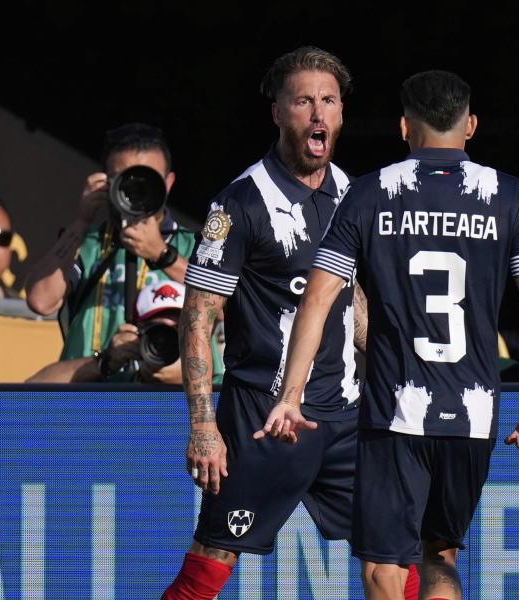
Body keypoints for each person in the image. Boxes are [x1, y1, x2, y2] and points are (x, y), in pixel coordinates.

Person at [259, 70, 519, 600]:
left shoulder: (370, 193)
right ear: (470, 125)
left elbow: (320, 299)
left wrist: (289, 395)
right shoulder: (510, 195)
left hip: (396, 412)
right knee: (438, 554)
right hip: (473, 413)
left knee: (384, 566)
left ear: (404, 127)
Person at [161, 46, 385, 600]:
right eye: (303, 100)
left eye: (328, 101)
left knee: (396, 547)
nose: (317, 113)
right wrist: (204, 427)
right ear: (278, 112)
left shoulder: (352, 194)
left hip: (345, 416)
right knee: (213, 556)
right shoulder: (236, 203)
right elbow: (198, 318)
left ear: (341, 115)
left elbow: (351, 300)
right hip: (264, 419)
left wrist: (391, 369)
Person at [25, 123, 193, 365]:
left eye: (148, 179)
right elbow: (41, 301)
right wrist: (82, 221)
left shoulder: (191, 244)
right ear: (107, 182)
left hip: (159, 398)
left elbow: (222, 310)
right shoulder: (88, 242)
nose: (137, 190)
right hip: (87, 394)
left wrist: (162, 254)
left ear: (168, 183)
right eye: (125, 179)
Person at [26, 279, 185, 383]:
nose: (166, 341)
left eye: (177, 330)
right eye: (157, 331)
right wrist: (104, 362)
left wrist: (187, 380)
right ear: (138, 333)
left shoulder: (207, 390)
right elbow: (29, 390)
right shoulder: (118, 384)